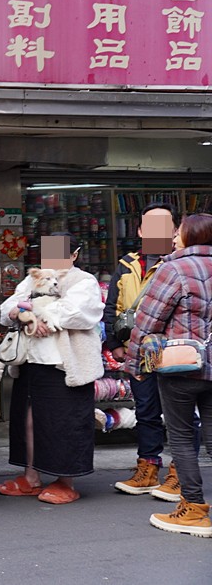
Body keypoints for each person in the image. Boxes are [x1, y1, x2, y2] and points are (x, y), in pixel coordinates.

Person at [0, 234, 105, 504]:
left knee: (64, 422)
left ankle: (65, 481)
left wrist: (33, 311)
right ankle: (31, 477)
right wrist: (22, 314)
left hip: (64, 364)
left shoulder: (84, 281)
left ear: (74, 255)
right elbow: (7, 307)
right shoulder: (33, 278)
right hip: (30, 361)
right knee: (29, 421)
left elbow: (75, 311)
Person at [128, 213, 212, 538]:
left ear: (190, 236)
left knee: (180, 437)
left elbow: (148, 320)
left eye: (177, 232)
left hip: (182, 366)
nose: (173, 237)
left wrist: (137, 364)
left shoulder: (173, 267)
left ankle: (192, 509)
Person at [104, 203, 181, 497]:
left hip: (174, 353)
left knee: (180, 415)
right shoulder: (126, 265)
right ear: (139, 231)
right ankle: (148, 468)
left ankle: (179, 472)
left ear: (175, 231)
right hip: (138, 352)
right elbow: (113, 308)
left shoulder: (179, 264)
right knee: (146, 411)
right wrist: (116, 346)